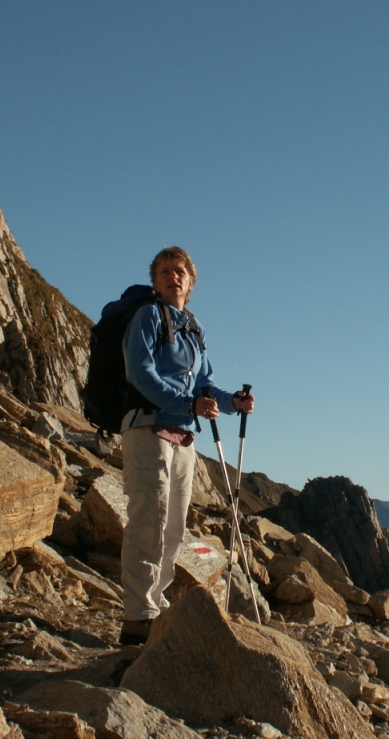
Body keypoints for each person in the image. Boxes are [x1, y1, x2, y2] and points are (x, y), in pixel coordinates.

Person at [118, 246, 254, 645]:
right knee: (148, 524)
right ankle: (138, 618)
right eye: (164, 271)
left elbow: (204, 384)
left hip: (182, 437)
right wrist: (187, 404)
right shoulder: (148, 316)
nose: (172, 276)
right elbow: (140, 372)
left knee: (173, 529)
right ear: (155, 281)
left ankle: (153, 607)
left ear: (191, 282)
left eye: (179, 271)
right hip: (148, 429)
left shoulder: (193, 327)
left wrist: (232, 403)